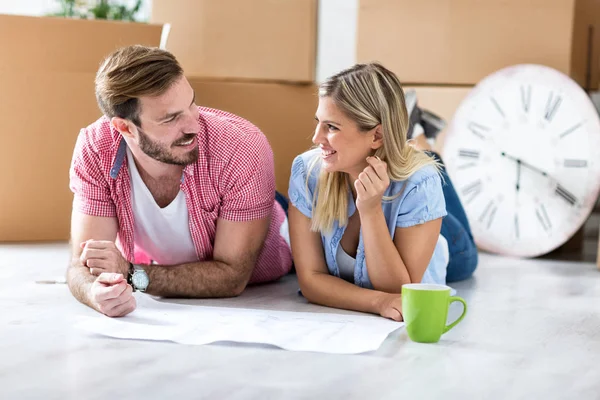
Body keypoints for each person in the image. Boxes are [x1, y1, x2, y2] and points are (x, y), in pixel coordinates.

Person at [67, 45, 292, 318]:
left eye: (191, 104)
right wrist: (95, 293)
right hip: (173, 247)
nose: (193, 126)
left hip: (276, 236)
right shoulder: (96, 147)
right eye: (171, 118)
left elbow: (233, 277)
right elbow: (82, 264)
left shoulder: (242, 147)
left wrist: (130, 273)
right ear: (125, 127)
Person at [287, 63, 478, 322]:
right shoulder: (306, 171)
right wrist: (379, 302)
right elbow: (311, 281)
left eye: (331, 127)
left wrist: (371, 210)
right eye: (318, 123)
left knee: (465, 257)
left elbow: (400, 293)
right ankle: (414, 139)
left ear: (377, 135)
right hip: (400, 177)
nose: (315, 138)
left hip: (448, 246)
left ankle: (420, 143)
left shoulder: (421, 182)